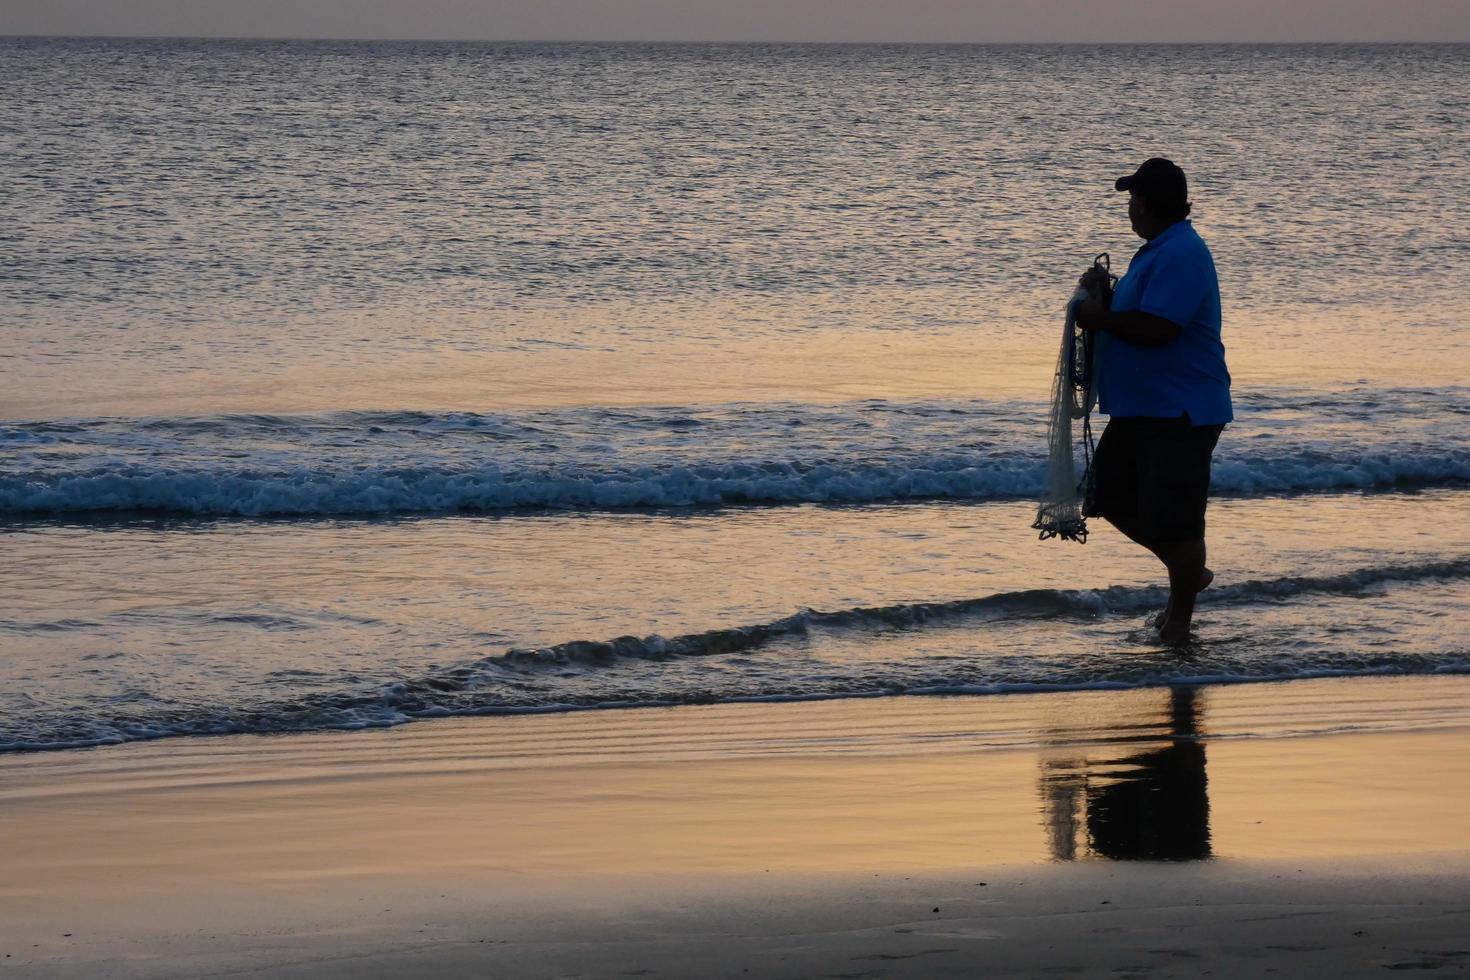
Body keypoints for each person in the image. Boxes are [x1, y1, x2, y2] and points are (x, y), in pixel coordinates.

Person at [1075, 158, 1232, 644]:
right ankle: (1186, 571)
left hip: (1181, 409)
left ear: (1147, 203)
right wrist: (1107, 295)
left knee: (1177, 518)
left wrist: (1096, 319)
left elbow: (1160, 329)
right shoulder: (1157, 251)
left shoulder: (1182, 252)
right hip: (1143, 406)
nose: (1129, 208)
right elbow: (1143, 312)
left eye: (1132, 198)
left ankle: (1179, 621)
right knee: (1106, 497)